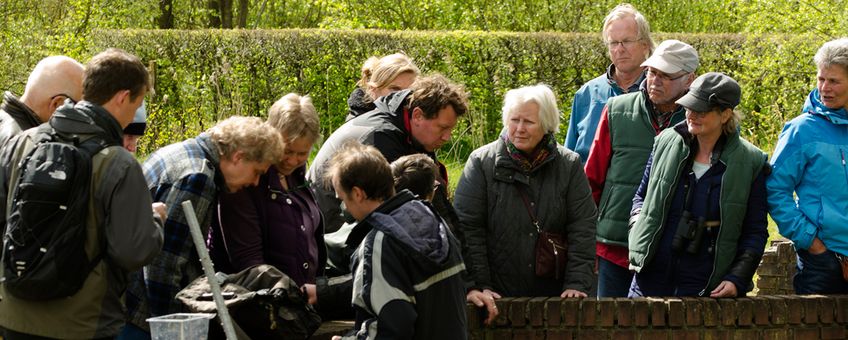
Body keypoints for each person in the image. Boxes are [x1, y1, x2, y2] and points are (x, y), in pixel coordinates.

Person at [0, 49, 164, 339]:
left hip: (14, 315)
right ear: (123, 97)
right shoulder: (119, 163)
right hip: (82, 324)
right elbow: (132, 250)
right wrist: (154, 222)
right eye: (137, 103)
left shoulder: (22, 141)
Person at [122, 116, 284, 338]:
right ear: (238, 157)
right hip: (141, 318)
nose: (255, 183)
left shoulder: (181, 152)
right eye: (257, 172)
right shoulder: (197, 177)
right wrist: (173, 331)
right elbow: (163, 267)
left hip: (124, 304)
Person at [454, 85, 596, 324]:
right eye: (514, 120)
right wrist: (480, 285)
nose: (519, 129)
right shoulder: (481, 163)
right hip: (497, 294)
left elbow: (583, 227)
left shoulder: (569, 165)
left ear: (546, 123)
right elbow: (467, 229)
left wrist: (576, 283)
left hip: (553, 295)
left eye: (528, 122)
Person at [628, 72, 769, 297]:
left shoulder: (751, 162)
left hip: (707, 286)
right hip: (648, 279)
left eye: (701, 110)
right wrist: (638, 232)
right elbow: (641, 197)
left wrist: (737, 279)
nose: (691, 114)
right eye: (689, 106)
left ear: (725, 115)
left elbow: (755, 231)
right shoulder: (665, 142)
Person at [585, 39, 699, 298]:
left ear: (689, 78)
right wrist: (587, 242)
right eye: (652, 72)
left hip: (671, 250)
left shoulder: (700, 120)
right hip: (615, 246)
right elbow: (591, 180)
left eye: (666, 75)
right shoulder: (617, 110)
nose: (654, 80)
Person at [327, 142, 467, 340]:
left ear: (358, 194)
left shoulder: (378, 244)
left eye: (342, 198)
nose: (344, 208)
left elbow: (391, 328)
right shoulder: (434, 220)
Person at [307, 74, 468, 234]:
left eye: (451, 130)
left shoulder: (412, 134)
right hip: (329, 233)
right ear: (417, 116)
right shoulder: (380, 138)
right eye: (442, 128)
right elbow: (396, 210)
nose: (447, 137)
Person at [210, 93, 327, 295]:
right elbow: (248, 262)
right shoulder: (246, 180)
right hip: (264, 307)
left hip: (300, 305)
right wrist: (284, 298)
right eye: (287, 151)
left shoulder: (297, 177)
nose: (292, 160)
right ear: (272, 136)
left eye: (302, 153)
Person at [768, 38, 848, 294]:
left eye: (834, 81)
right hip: (823, 262)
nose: (825, 88)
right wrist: (811, 242)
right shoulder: (801, 130)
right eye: (821, 79)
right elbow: (774, 190)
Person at [564, 4, 654, 163]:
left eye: (627, 41)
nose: (620, 49)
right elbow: (568, 158)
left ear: (645, 44)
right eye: (613, 43)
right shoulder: (587, 94)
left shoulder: (658, 92)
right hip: (587, 187)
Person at [0, 55, 85, 147]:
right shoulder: (31, 148)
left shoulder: (7, 127)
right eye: (79, 108)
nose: (83, 118)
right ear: (57, 104)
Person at [346, 53, 420, 121]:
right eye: (395, 89)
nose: (404, 96)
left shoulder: (416, 121)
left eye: (410, 91)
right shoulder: (360, 126)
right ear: (373, 90)